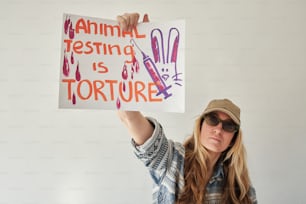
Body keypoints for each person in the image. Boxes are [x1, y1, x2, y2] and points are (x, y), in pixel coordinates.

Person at [117, 13, 257, 204]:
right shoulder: (171, 159)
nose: (218, 129)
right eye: (213, 120)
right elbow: (128, 115)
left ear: (234, 138)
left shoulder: (240, 188)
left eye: (228, 126)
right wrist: (130, 43)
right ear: (200, 125)